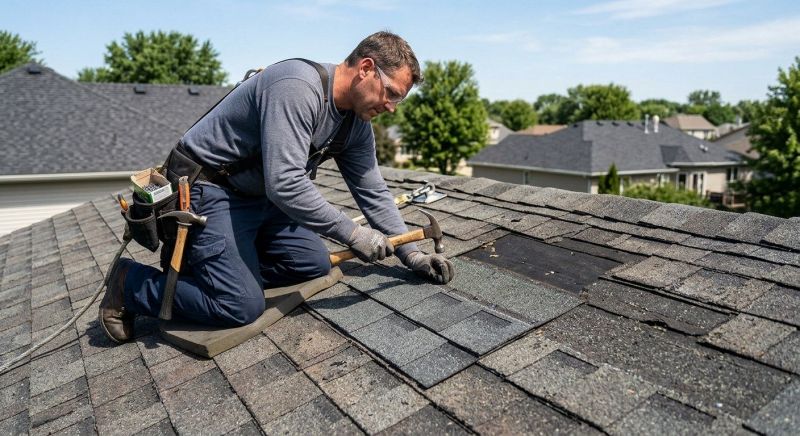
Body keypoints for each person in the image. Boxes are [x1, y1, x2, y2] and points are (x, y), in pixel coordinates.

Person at [99, 31, 455, 343]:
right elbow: (286, 184)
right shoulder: (298, 87)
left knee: (312, 263)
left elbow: (372, 190)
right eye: (391, 93)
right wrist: (353, 234)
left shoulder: (355, 125)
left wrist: (413, 256)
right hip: (209, 190)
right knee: (239, 305)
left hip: (260, 197)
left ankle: (219, 270)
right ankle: (130, 283)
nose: (392, 107)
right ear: (365, 69)